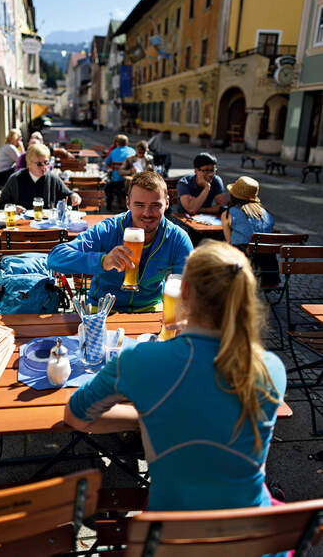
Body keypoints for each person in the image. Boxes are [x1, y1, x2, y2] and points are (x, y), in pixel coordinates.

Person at [64, 240, 287, 519]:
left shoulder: (139, 360)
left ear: (184, 291)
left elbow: (76, 416)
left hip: (169, 536)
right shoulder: (271, 368)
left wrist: (146, 414)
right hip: (253, 538)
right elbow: (213, 406)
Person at [47, 170, 193, 312]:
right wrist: (103, 261)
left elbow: (188, 287)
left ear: (167, 203)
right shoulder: (108, 229)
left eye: (155, 205)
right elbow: (55, 258)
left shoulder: (177, 238)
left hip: (150, 310)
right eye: (139, 205)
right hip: (103, 309)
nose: (147, 213)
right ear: (128, 203)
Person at [0, 143, 81, 211]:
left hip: (47, 228)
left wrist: (74, 196)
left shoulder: (52, 178)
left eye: (46, 163)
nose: (44, 167)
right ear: (28, 164)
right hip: (21, 227)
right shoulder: (15, 179)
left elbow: (68, 195)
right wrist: (14, 208)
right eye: (39, 164)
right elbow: (0, 204)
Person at [221, 176, 274, 247]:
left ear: (232, 195)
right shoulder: (266, 213)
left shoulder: (228, 214)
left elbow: (229, 242)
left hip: (242, 256)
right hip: (268, 256)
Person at [104, 134, 136, 210]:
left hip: (116, 181)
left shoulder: (113, 152)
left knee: (107, 187)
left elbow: (107, 163)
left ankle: (109, 206)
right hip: (130, 181)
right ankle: (122, 202)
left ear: (117, 143)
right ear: (127, 142)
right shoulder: (132, 151)